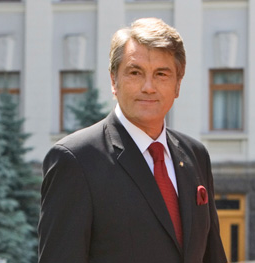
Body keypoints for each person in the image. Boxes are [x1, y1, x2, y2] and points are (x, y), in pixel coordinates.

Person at [38, 18, 227, 263]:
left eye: (161, 74)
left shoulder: (195, 155)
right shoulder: (76, 160)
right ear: (114, 81)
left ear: (177, 85)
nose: (148, 87)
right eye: (135, 73)